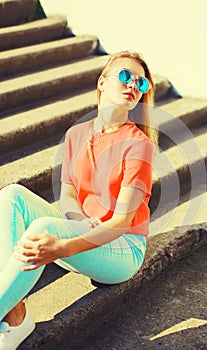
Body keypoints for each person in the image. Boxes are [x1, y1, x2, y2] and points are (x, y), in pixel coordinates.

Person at [0, 50, 157, 350]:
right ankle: (16, 311)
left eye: (142, 83)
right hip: (84, 234)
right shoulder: (77, 134)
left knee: (44, 229)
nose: (133, 85)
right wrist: (76, 224)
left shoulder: (139, 145)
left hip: (121, 249)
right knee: (12, 195)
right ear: (102, 82)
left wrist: (62, 245)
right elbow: (68, 194)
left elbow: (121, 222)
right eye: (126, 76)